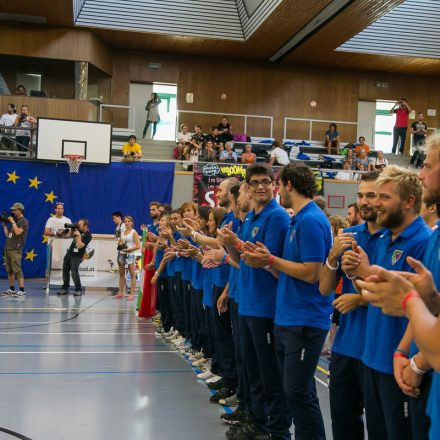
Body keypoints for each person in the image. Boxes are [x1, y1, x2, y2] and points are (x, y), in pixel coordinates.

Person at [354, 135, 440, 440]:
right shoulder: (386, 238)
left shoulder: (420, 241)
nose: (375, 204)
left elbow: (414, 304)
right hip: (382, 356)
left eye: (384, 198)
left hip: (409, 365)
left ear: (409, 202)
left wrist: (409, 358)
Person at [221, 164, 291, 439]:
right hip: (249, 304)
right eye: (255, 183)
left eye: (266, 182)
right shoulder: (251, 218)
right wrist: (229, 244)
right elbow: (241, 262)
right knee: (252, 369)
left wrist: (237, 244)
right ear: (248, 188)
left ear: (274, 185)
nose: (261, 187)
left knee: (269, 373)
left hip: (267, 307)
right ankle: (256, 419)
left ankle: (274, 428)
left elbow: (267, 262)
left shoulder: (277, 218)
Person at [319, 171, 383, 440]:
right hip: (346, 349)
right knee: (344, 425)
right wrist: (334, 255)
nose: (365, 201)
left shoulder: (396, 237)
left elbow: (404, 295)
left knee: (382, 429)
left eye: (372, 195)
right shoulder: (349, 236)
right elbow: (324, 288)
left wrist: (360, 297)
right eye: (361, 195)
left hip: (380, 351)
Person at [57, 219, 92, 296]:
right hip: (69, 253)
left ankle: (78, 289)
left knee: (74, 273)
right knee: (65, 271)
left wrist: (78, 236)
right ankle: (65, 288)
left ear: (85, 226)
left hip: (77, 256)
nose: (78, 226)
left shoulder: (88, 235)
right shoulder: (77, 230)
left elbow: (79, 246)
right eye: (78, 224)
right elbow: (67, 236)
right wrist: (65, 232)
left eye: (80, 225)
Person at [2, 202, 29, 297]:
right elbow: (8, 235)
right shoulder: (15, 222)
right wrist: (5, 225)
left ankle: (22, 290)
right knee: (9, 270)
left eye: (14, 210)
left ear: (20, 210)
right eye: (12, 210)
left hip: (15, 249)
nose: (13, 211)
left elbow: (18, 232)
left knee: (17, 270)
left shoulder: (24, 221)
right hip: (8, 248)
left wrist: (12, 222)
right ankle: (12, 289)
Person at [115, 216, 141, 301]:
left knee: (132, 274)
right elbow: (120, 242)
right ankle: (120, 293)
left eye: (128, 221)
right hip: (122, 254)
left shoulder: (134, 232)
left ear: (132, 222)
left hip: (130, 254)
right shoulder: (122, 232)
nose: (126, 223)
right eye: (125, 221)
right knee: (121, 274)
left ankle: (132, 294)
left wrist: (130, 249)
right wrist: (120, 244)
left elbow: (138, 246)